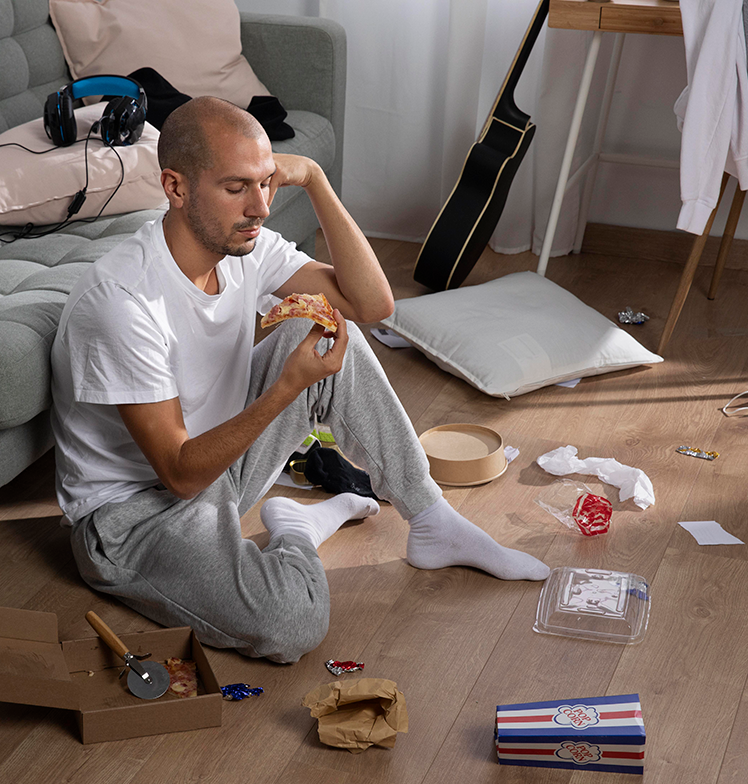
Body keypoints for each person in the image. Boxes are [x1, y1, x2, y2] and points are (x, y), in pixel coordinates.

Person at [50, 97, 549, 663]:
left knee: (332, 327)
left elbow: (372, 304)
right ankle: (295, 530)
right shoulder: (123, 302)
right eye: (236, 187)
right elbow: (181, 476)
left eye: (266, 184)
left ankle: (432, 519)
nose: (259, 207)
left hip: (215, 464)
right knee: (292, 624)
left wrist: (313, 178)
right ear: (176, 187)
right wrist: (287, 388)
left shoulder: (242, 245)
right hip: (135, 514)